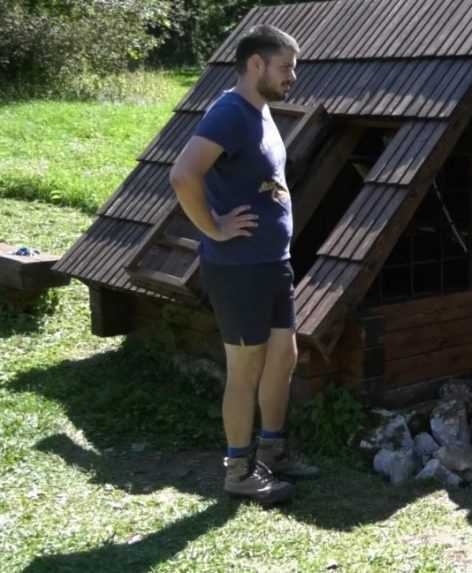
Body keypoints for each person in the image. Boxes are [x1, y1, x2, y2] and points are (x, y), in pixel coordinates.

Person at [169, 24, 317, 506]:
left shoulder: (262, 112)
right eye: (285, 67)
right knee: (245, 368)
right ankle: (238, 469)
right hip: (238, 269)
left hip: (272, 263)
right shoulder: (229, 112)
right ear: (256, 64)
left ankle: (272, 450)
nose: (292, 75)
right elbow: (183, 174)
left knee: (284, 357)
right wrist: (212, 227)